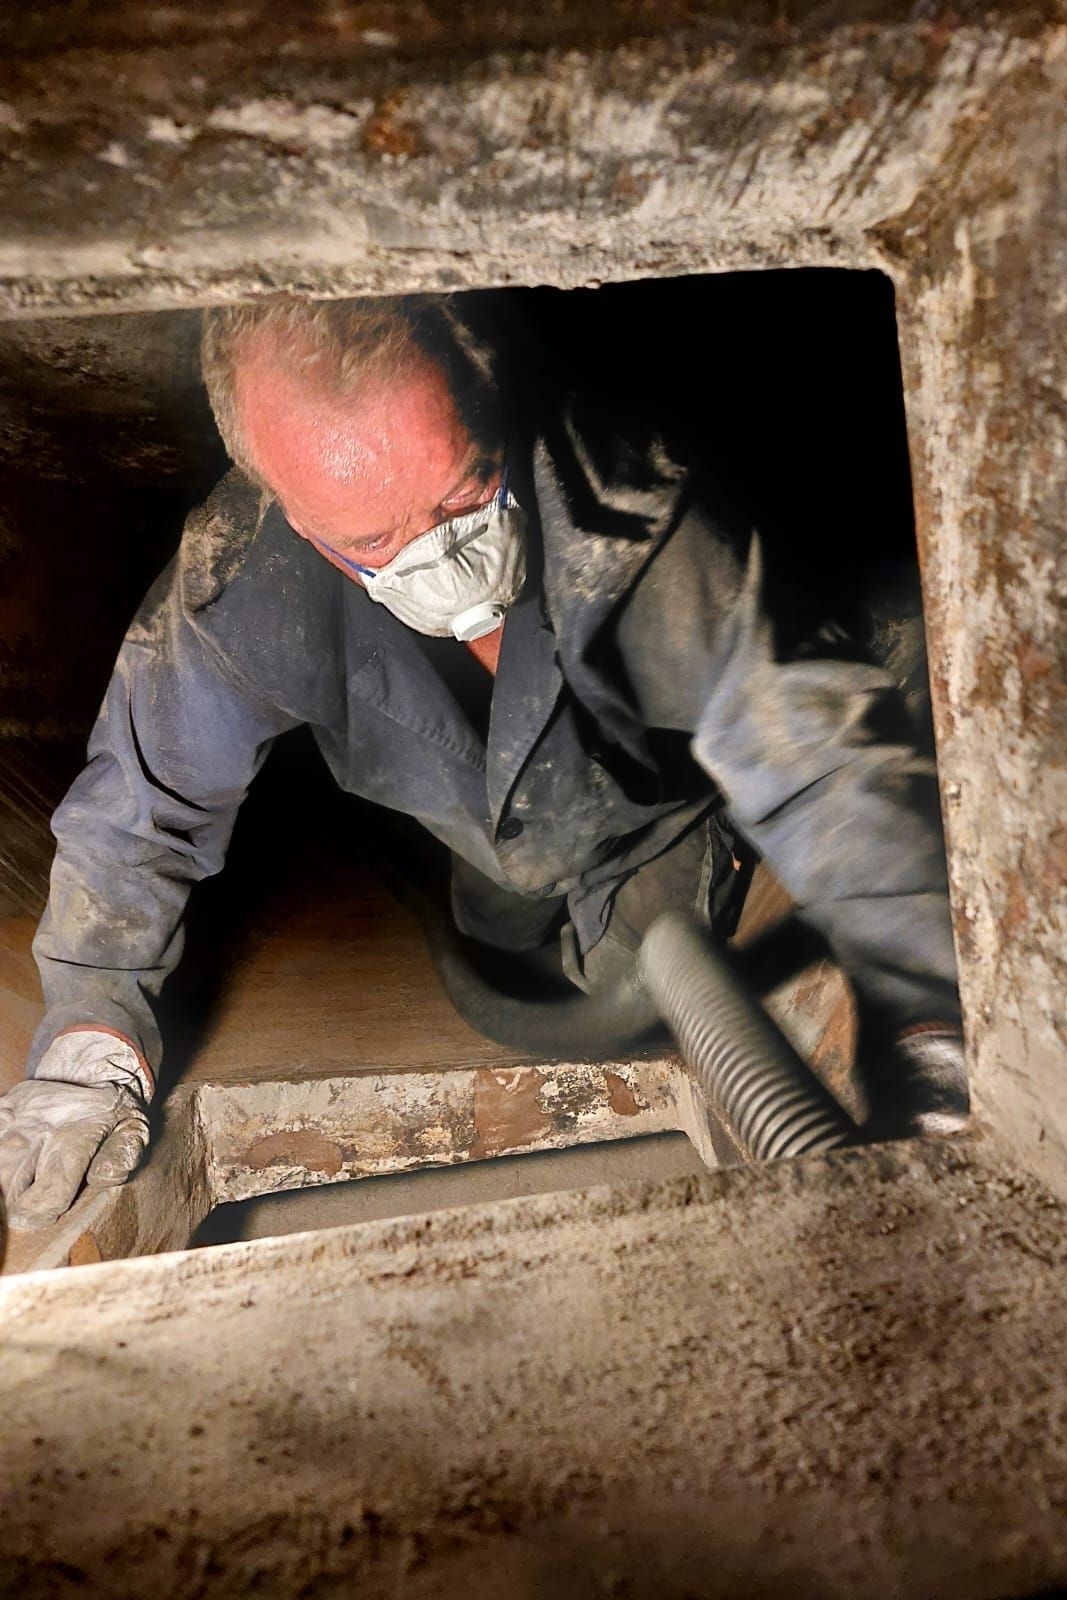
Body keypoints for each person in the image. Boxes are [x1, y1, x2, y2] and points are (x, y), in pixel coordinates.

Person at [0, 293, 966, 1230]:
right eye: (373, 539)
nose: (445, 565)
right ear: (291, 513)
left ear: (492, 398)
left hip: (649, 812)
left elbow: (807, 749)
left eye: (464, 492)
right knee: (503, 932)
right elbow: (139, 808)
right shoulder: (240, 592)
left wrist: (926, 1018)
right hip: (482, 856)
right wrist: (90, 1035)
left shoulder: (626, 502)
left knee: (648, 946)